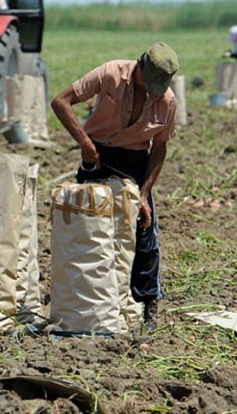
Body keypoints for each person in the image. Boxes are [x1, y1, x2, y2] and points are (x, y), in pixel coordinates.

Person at [50, 42, 179, 332]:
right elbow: (60, 101)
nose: (153, 91)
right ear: (139, 66)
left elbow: (159, 149)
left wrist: (143, 193)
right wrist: (85, 144)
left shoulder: (167, 100)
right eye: (150, 82)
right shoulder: (110, 74)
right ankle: (87, 300)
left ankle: (146, 306)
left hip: (134, 162)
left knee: (144, 231)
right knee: (88, 228)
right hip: (96, 154)